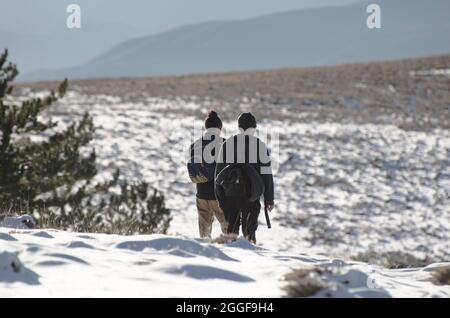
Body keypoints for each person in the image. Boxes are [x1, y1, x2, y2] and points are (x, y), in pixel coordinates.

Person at [215, 112, 274, 243]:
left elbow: (218, 174)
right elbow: (266, 174)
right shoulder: (260, 146)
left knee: (231, 232)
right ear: (253, 128)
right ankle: (250, 256)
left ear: (239, 127)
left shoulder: (228, 144)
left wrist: (220, 198)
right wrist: (269, 199)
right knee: (249, 234)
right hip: (251, 196)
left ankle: (230, 256)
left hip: (230, 195)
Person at [188, 110, 228, 238]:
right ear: (219, 127)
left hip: (201, 194)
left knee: (204, 235)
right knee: (228, 232)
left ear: (206, 127)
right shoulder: (226, 144)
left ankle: (204, 256)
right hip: (219, 196)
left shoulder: (195, 146)